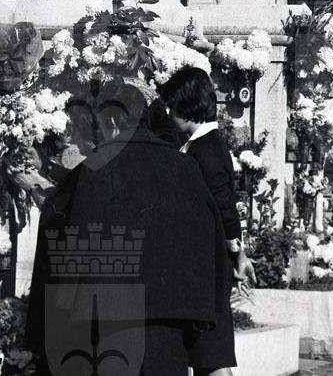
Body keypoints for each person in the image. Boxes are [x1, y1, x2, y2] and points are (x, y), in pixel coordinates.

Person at [20, 82, 230, 375]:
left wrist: (44, 340)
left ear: (114, 122)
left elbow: (61, 238)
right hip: (171, 336)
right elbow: (212, 251)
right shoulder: (187, 168)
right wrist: (212, 348)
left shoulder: (96, 169)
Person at [159, 68, 257, 376]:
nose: (168, 113)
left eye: (171, 106)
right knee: (206, 355)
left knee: (210, 355)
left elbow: (224, 207)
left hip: (208, 267)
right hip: (207, 265)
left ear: (186, 105)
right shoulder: (205, 144)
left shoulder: (205, 150)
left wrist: (237, 253)